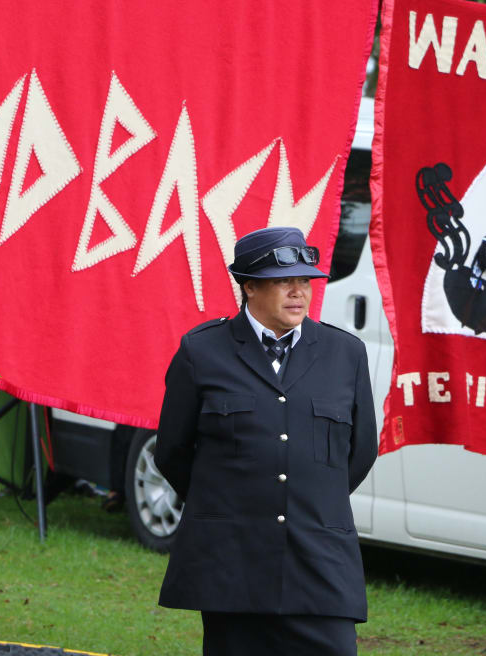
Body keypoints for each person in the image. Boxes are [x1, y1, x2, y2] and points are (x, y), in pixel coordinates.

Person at [155, 226, 378, 655]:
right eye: (283, 281)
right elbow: (173, 451)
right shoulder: (202, 352)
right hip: (232, 563)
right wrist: (229, 501)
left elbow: (360, 452)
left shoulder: (344, 353)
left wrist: (304, 496)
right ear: (249, 286)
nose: (298, 291)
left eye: (305, 280)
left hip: (320, 560)